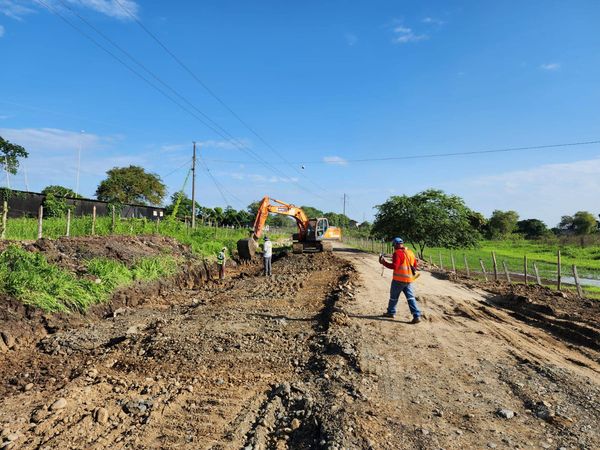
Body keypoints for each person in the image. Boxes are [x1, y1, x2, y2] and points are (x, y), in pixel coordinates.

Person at [378, 237, 422, 323]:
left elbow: (395, 266)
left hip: (398, 280)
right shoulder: (410, 252)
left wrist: (384, 262)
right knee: (411, 298)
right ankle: (416, 316)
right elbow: (415, 266)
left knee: (393, 298)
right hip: (409, 280)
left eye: (394, 245)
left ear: (395, 245)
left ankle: (391, 312)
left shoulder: (397, 253)